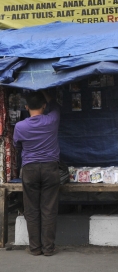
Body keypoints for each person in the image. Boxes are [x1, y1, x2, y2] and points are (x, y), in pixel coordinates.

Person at [14, 90, 61, 256]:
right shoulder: (52, 120)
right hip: (50, 168)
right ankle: (49, 248)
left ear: (26, 107)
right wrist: (47, 93)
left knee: (31, 210)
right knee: (48, 209)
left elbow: (17, 146)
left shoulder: (20, 127)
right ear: (44, 106)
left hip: (30, 169)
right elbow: (55, 106)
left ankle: (35, 248)